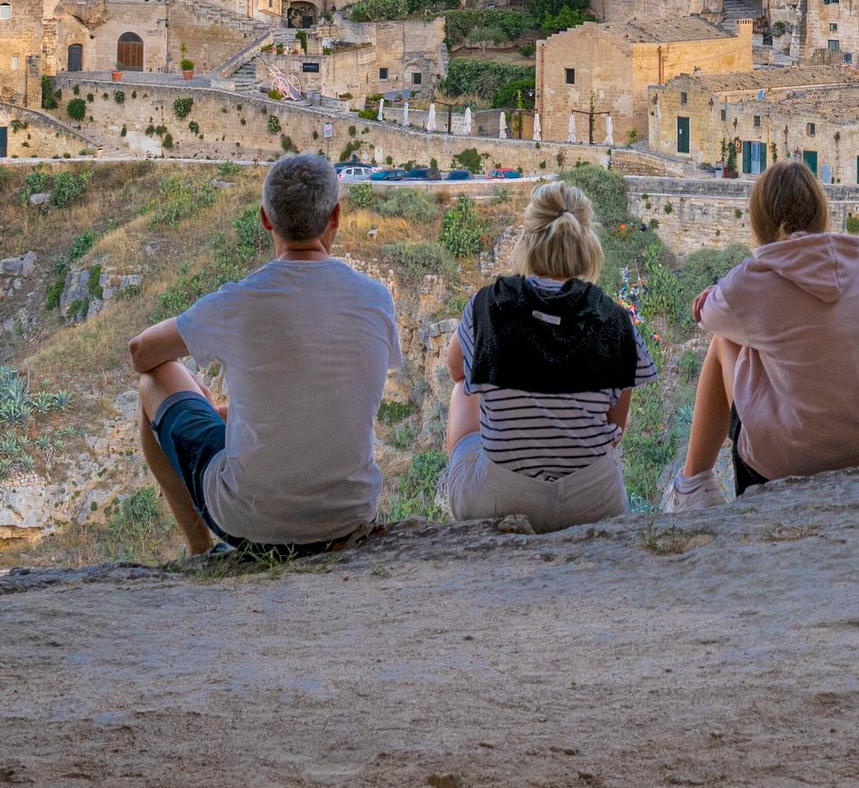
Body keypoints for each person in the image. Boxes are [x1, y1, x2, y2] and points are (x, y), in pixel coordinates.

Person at [128, 151, 400, 554]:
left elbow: (141, 353)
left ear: (265, 218)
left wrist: (203, 398)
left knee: (155, 379)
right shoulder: (376, 299)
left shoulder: (237, 301)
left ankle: (201, 549)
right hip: (347, 516)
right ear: (336, 215)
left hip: (249, 519)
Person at [667, 161, 859, 507]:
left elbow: (706, 316)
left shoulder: (751, 282)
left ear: (760, 219)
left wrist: (717, 295)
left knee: (725, 340)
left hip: (788, 463)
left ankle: (691, 485)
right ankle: (692, 486)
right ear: (821, 211)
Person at [441, 179, 652, 531]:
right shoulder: (615, 318)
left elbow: (455, 369)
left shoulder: (488, 304)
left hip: (503, 500)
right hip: (596, 500)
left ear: (528, 240)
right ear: (587, 243)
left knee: (463, 389)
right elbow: (617, 425)